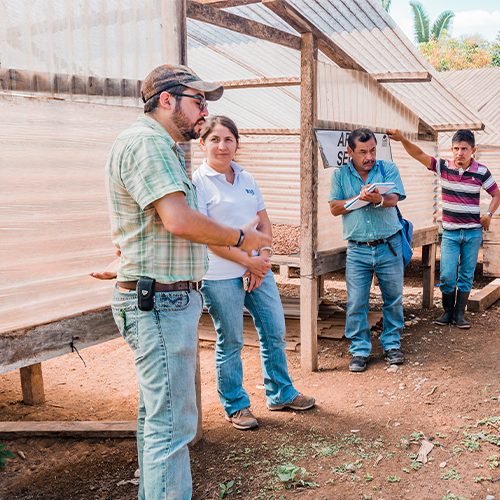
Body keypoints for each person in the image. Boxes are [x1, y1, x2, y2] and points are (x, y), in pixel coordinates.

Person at [104, 65, 271, 500]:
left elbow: (152, 226)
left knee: (158, 419)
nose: (204, 112)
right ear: (166, 99)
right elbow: (178, 220)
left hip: (159, 296)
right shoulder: (148, 143)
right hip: (160, 302)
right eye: (198, 101)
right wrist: (241, 237)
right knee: (173, 424)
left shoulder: (157, 145)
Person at [192, 116, 315, 430]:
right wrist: (249, 263)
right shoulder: (198, 182)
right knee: (230, 340)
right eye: (215, 139)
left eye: (229, 139)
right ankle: (236, 405)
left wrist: (264, 259)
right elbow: (207, 236)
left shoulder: (247, 178)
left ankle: (280, 393)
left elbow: (264, 222)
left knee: (274, 331)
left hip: (258, 269)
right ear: (202, 143)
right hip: (220, 275)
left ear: (237, 144)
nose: (223, 146)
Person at [387, 129, 500, 329]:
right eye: (456, 148)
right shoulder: (443, 167)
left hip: (473, 232)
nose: (460, 153)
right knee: (447, 274)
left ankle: (459, 314)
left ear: (473, 150)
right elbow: (419, 154)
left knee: (466, 273)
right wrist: (403, 139)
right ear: (452, 149)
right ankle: (447, 312)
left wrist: (489, 215)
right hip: (450, 233)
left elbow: (496, 195)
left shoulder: (482, 171)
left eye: (464, 149)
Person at [329, 128, 406, 373]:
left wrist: (379, 200)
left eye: (372, 150)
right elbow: (334, 208)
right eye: (363, 152)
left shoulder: (387, 168)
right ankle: (360, 350)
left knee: (393, 299)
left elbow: (394, 197)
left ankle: (392, 344)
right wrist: (360, 199)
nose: (369, 156)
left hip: (389, 245)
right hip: (358, 249)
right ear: (350, 151)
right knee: (356, 302)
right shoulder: (340, 175)